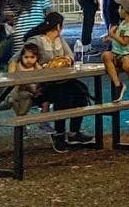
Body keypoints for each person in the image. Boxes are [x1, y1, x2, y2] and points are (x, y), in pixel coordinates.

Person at [27, 11, 93, 145]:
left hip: (63, 79)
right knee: (64, 97)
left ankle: (74, 132)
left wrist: (65, 60)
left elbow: (71, 56)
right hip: (45, 83)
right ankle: (59, 133)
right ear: (58, 26)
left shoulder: (59, 40)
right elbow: (26, 60)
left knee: (81, 93)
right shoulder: (36, 41)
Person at [101, 0, 129, 101]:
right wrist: (110, 38)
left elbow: (124, 42)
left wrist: (112, 35)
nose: (118, 10)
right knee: (106, 55)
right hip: (117, 53)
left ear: (124, 10)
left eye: (120, 8)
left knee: (127, 66)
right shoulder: (123, 23)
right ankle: (118, 85)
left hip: (127, 55)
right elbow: (120, 39)